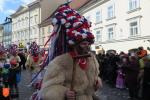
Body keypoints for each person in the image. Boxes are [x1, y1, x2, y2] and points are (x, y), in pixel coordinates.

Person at [38, 3, 102, 100]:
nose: (87, 46)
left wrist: (96, 83)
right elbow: (47, 90)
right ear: (75, 44)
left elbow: (95, 79)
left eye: (88, 43)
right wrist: (64, 93)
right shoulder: (60, 62)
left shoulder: (92, 59)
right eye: (84, 43)